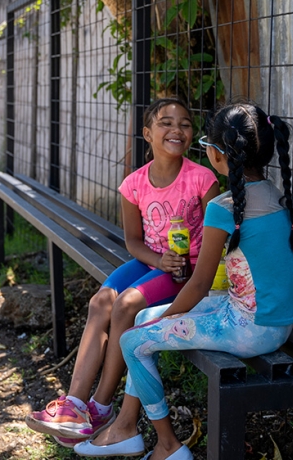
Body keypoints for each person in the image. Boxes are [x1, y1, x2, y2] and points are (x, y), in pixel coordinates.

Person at [77, 100, 293, 460]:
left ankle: (167, 446)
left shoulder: (224, 208)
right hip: (274, 319)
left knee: (134, 341)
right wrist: (161, 321)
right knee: (143, 319)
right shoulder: (277, 194)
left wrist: (168, 320)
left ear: (215, 154)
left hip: (250, 327)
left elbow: (197, 285)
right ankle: (127, 428)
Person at [25, 97, 220, 450]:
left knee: (127, 304)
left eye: (185, 124)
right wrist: (158, 260)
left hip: (187, 271)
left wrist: (174, 265)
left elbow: (213, 246)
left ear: (192, 134)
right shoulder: (133, 184)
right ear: (147, 133)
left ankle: (100, 408)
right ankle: (74, 405)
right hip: (152, 262)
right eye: (165, 122)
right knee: (101, 301)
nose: (176, 129)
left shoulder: (203, 180)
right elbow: (133, 242)